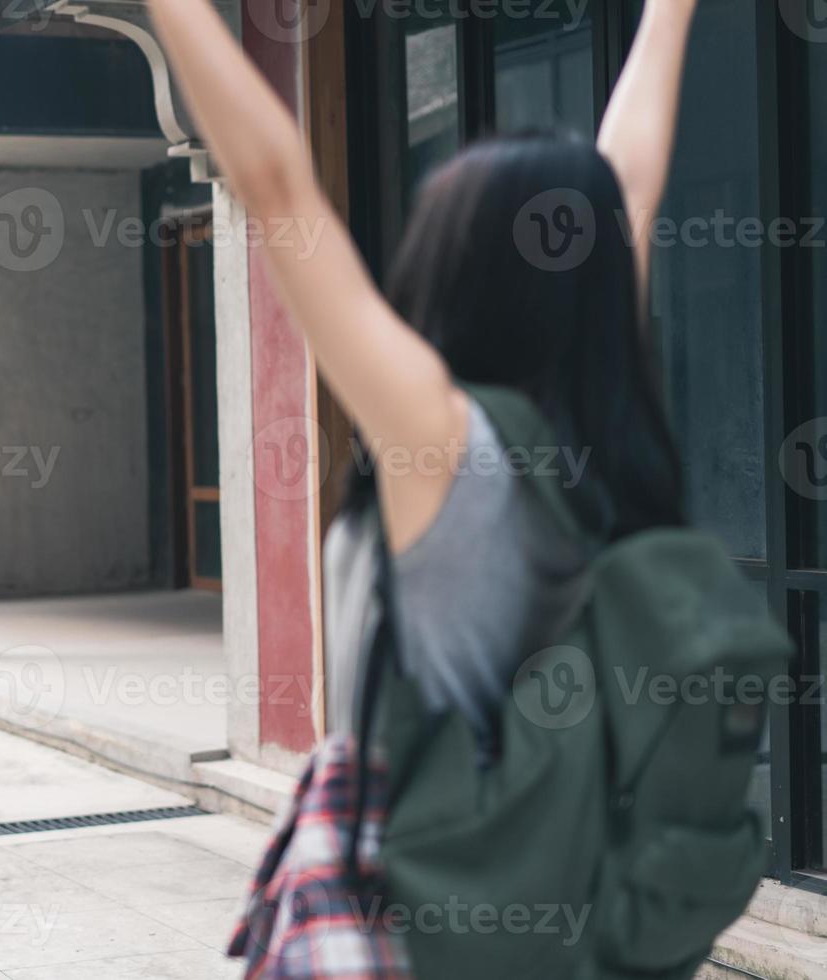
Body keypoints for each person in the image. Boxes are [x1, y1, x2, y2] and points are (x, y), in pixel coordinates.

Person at [149, 0, 699, 973]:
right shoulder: (594, 452)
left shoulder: (446, 444)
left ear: (459, 263)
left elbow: (278, 188)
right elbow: (635, 189)